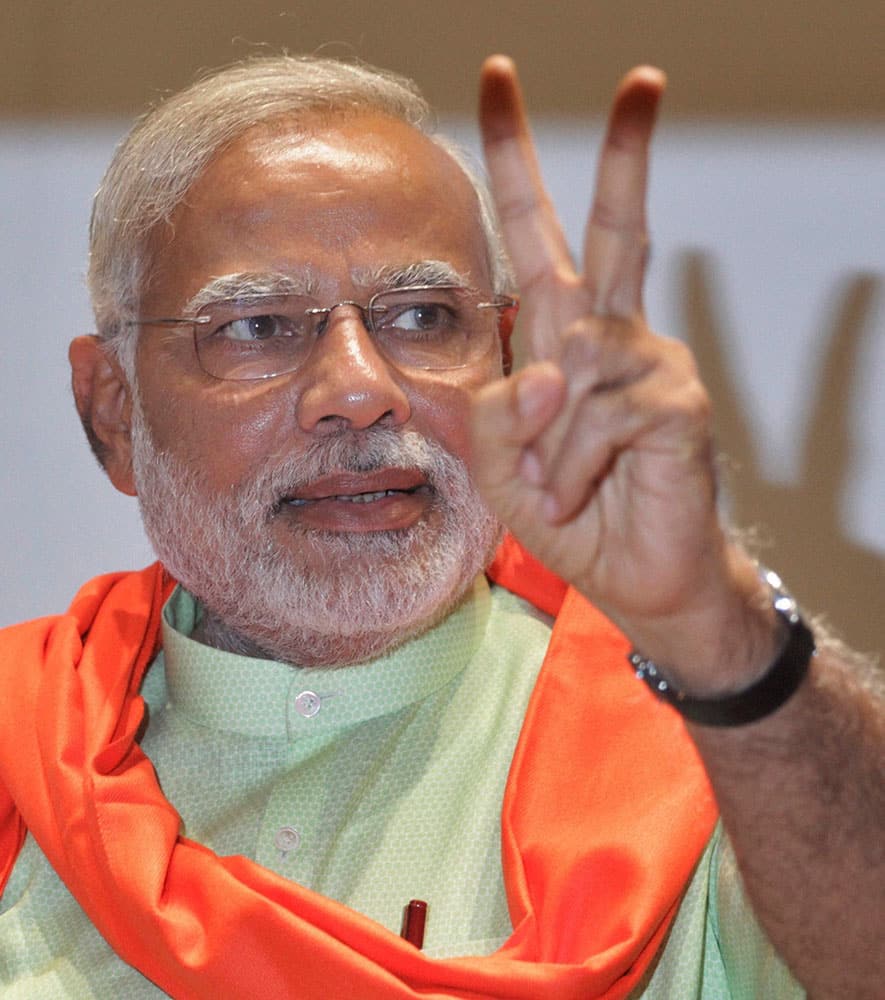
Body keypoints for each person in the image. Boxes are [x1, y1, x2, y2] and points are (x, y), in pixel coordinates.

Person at [0, 53, 881, 999]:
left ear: (504, 364)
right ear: (113, 411)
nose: (360, 391)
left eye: (422, 316)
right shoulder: (26, 747)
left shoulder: (712, 758)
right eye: (257, 325)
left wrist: (720, 629)